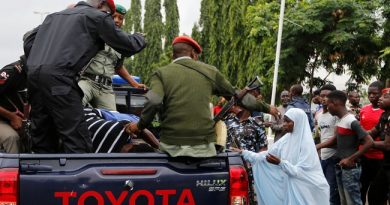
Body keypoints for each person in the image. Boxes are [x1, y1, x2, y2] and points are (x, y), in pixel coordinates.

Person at [125, 36, 279, 157]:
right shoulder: (210, 71)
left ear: (173, 54)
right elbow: (239, 96)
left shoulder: (160, 74)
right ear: (193, 53)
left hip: (171, 148)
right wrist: (267, 108)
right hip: (203, 149)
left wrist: (139, 126)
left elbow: (153, 101)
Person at [25, 0, 147, 153]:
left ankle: (46, 174)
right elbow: (129, 46)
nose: (110, 20)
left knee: (42, 137)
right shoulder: (97, 16)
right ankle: (80, 176)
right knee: (78, 140)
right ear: (101, 5)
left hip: (34, 78)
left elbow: (29, 40)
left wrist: (41, 62)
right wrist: (139, 37)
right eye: (109, 14)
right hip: (61, 78)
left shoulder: (53, 17)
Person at [233, 108, 329, 205]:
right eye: (284, 121)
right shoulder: (286, 139)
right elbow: (267, 155)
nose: (284, 124)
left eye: (288, 121)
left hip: (305, 189)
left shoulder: (306, 145)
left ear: (298, 122)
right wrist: (244, 153)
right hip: (290, 186)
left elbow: (300, 172)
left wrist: (281, 163)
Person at [78, 4, 146, 111]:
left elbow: (118, 67)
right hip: (87, 81)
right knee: (74, 107)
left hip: (106, 88)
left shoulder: (122, 41)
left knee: (114, 118)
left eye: (121, 18)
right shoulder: (95, 32)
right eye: (114, 17)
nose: (117, 20)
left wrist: (134, 84)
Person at [316, 90, 374, 205]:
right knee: (343, 201)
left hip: (351, 169)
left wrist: (351, 158)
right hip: (341, 166)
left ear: (336, 103)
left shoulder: (351, 120)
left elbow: (369, 142)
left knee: (352, 201)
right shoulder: (341, 120)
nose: (327, 107)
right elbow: (335, 139)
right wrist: (317, 146)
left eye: (328, 104)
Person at [358, 81, 384, 204]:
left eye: (375, 93)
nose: (372, 96)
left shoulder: (385, 112)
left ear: (382, 93)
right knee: (361, 187)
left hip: (380, 156)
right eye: (369, 93)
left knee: (378, 191)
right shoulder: (364, 110)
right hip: (364, 154)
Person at [317, 84, 340, 205]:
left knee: (332, 193)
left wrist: (318, 147)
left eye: (327, 96)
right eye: (322, 96)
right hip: (323, 157)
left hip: (334, 157)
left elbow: (336, 139)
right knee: (322, 189)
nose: (324, 98)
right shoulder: (319, 115)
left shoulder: (337, 114)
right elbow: (319, 134)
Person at [366, 87, 390, 204]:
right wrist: (358, 132)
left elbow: (387, 145)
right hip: (386, 163)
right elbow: (373, 131)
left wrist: (368, 143)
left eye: (385, 97)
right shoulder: (385, 115)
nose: (380, 99)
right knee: (375, 194)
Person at [0, 57, 27, 153]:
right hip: (3, 119)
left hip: (23, 120)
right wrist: (12, 117)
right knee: (11, 138)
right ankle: (13, 167)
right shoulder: (11, 72)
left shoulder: (40, 72)